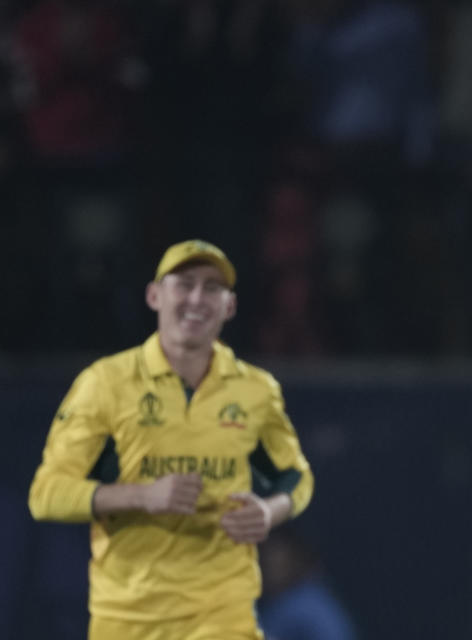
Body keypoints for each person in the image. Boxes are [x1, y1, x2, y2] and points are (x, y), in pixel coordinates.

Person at [28, 239, 315, 640]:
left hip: (222, 618)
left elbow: (296, 477)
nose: (197, 298)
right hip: (129, 622)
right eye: (184, 283)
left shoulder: (256, 391)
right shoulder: (105, 384)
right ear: (154, 296)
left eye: (212, 287)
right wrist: (142, 496)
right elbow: (46, 495)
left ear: (229, 306)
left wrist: (270, 512)